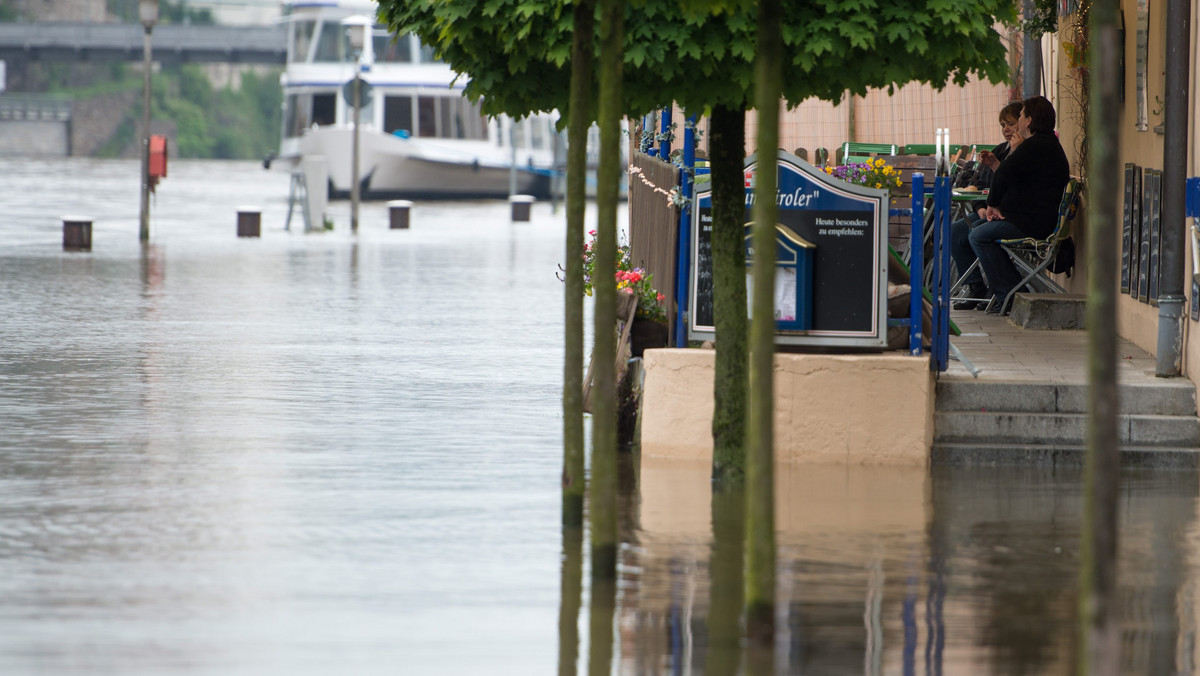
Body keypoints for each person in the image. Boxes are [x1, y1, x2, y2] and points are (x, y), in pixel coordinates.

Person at [967, 95, 1070, 315]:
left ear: (1029, 120)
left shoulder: (1035, 146)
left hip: (1032, 224)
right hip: (1031, 218)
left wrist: (993, 205)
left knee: (978, 235)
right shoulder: (1047, 144)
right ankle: (1010, 290)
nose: (1019, 121)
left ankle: (1010, 293)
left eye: (1021, 116)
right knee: (979, 231)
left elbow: (1004, 172)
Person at [951, 101, 1023, 310]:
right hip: (989, 212)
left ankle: (998, 288)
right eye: (1003, 125)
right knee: (954, 232)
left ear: (1023, 122)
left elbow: (1012, 184)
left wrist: (999, 163)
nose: (1006, 129)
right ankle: (975, 287)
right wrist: (980, 207)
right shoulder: (1000, 150)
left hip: (1010, 215)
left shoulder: (1025, 151)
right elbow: (981, 184)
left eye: (1010, 123)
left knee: (978, 234)